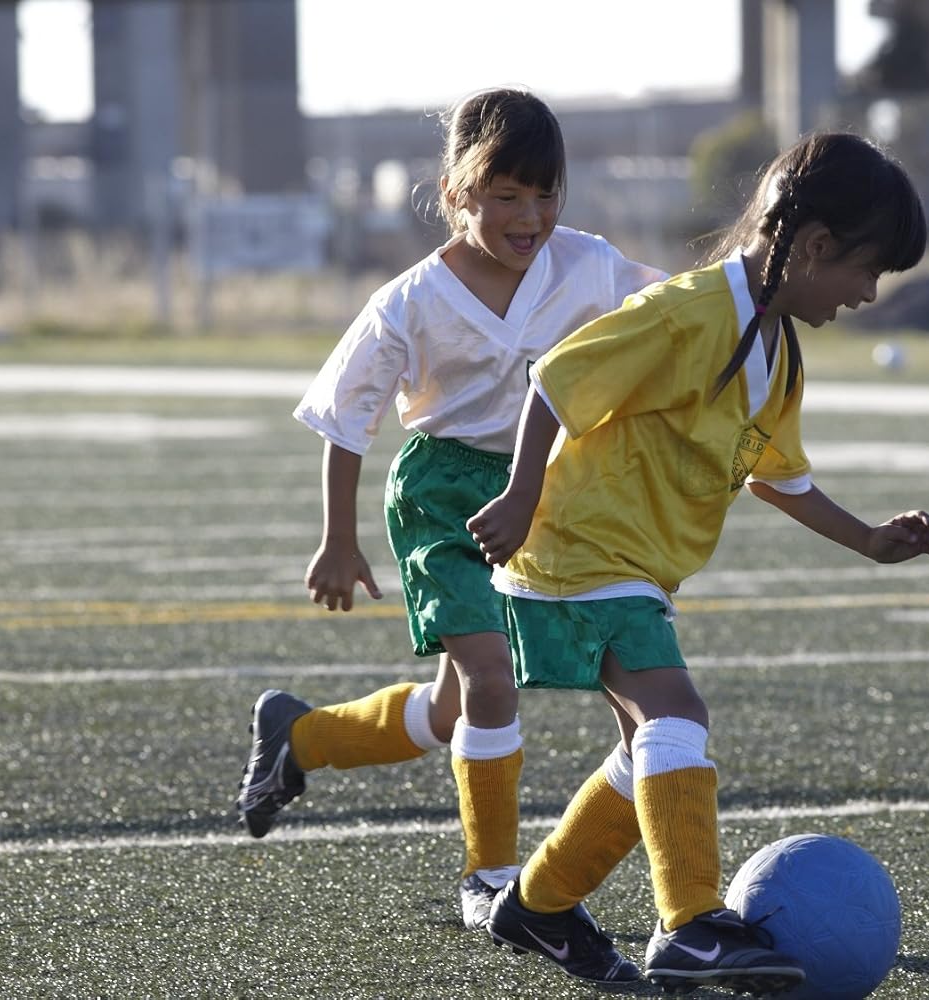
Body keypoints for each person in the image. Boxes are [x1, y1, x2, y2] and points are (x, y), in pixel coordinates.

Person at [467, 130, 929, 995]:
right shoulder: (688, 313)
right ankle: (688, 926)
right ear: (814, 247)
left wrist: (870, 539)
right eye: (865, 272)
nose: (868, 294)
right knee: (676, 708)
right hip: (577, 551)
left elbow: (781, 479)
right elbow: (554, 381)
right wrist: (521, 496)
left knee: (646, 749)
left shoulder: (778, 352)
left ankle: (538, 903)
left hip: (628, 568)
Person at [233, 88, 664, 983]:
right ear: (455, 192)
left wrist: (754, 290)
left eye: (546, 195)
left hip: (540, 494)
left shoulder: (588, 264)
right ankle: (492, 878)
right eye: (506, 195)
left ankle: (300, 737)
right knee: (492, 679)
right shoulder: (408, 300)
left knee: (453, 708)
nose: (531, 216)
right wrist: (337, 541)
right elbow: (346, 418)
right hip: (442, 500)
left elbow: (679, 314)